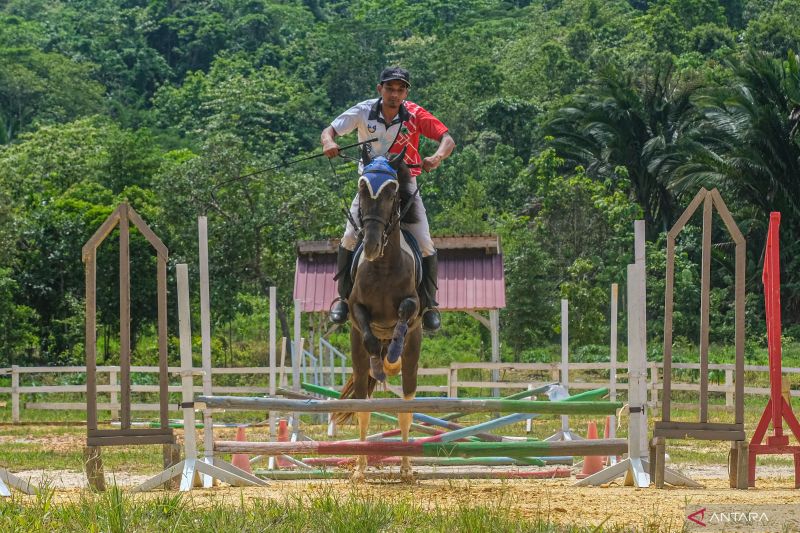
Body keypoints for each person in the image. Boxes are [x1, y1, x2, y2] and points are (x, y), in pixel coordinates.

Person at [321, 66, 455, 331]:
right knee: (348, 237)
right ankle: (343, 300)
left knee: (426, 242)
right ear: (379, 89)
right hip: (370, 185)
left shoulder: (416, 114)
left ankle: (428, 304)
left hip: (404, 184)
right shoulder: (362, 111)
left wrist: (436, 157)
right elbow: (330, 131)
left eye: (400, 89)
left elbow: (447, 139)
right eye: (390, 88)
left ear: (406, 92)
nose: (395, 94)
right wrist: (328, 143)